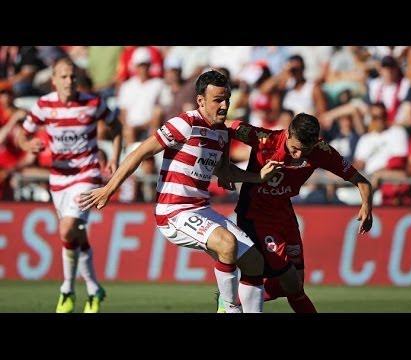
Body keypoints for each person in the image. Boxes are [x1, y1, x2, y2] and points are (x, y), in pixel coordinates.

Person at [79, 70, 284, 313]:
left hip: (201, 209)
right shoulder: (185, 124)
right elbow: (140, 152)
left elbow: (224, 172)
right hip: (173, 212)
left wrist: (257, 177)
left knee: (254, 261)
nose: (225, 105)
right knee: (226, 244)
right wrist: (109, 188)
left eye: (227, 98)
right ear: (201, 100)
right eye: (218, 99)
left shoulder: (221, 132)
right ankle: (229, 307)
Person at [217, 112, 373, 313]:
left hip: (284, 214)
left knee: (294, 284)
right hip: (256, 216)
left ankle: (233, 299)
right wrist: (223, 165)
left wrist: (366, 206)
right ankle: (230, 302)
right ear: (288, 133)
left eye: (305, 150)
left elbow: (361, 180)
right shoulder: (264, 138)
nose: (298, 155)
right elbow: (223, 126)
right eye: (295, 148)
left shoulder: (321, 151)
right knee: (291, 282)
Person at [18, 57, 123, 313]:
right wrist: (27, 145)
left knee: (67, 229)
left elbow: (116, 125)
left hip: (86, 174)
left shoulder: (92, 102)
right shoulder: (44, 105)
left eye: (73, 76)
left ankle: (66, 289)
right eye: (63, 76)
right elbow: (24, 133)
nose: (69, 81)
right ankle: (94, 289)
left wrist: (114, 158)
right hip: (59, 178)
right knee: (75, 233)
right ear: (54, 80)